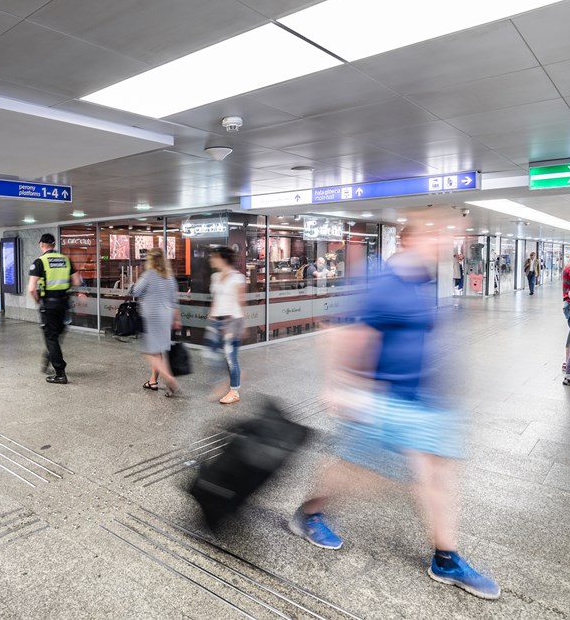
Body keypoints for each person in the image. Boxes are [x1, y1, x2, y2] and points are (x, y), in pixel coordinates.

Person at [289, 231, 500, 600]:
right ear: (407, 241)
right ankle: (309, 512)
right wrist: (340, 385)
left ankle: (446, 558)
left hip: (421, 398)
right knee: (355, 472)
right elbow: (343, 335)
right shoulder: (385, 284)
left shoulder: (422, 284)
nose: (443, 246)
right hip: (382, 397)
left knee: (439, 470)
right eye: (434, 238)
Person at [28, 233, 82, 385]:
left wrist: (38, 301)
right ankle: (50, 355)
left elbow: (32, 288)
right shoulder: (66, 259)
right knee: (56, 334)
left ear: (41, 245)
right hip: (64, 303)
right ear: (54, 244)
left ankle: (60, 373)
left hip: (49, 304)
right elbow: (77, 281)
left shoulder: (40, 262)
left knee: (51, 337)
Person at [131, 247, 182, 396]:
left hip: (152, 316)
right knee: (158, 351)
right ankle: (153, 381)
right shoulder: (170, 277)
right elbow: (174, 301)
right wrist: (177, 319)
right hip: (166, 316)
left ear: (150, 260)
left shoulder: (148, 275)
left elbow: (136, 292)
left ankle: (169, 379)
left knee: (149, 351)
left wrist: (131, 284)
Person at [207, 246, 244, 405]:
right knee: (212, 355)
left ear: (223, 259)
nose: (211, 260)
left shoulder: (237, 278)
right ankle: (228, 381)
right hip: (217, 321)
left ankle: (234, 390)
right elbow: (216, 299)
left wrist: (242, 325)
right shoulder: (215, 277)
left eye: (214, 257)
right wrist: (211, 315)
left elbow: (240, 301)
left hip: (232, 321)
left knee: (230, 357)